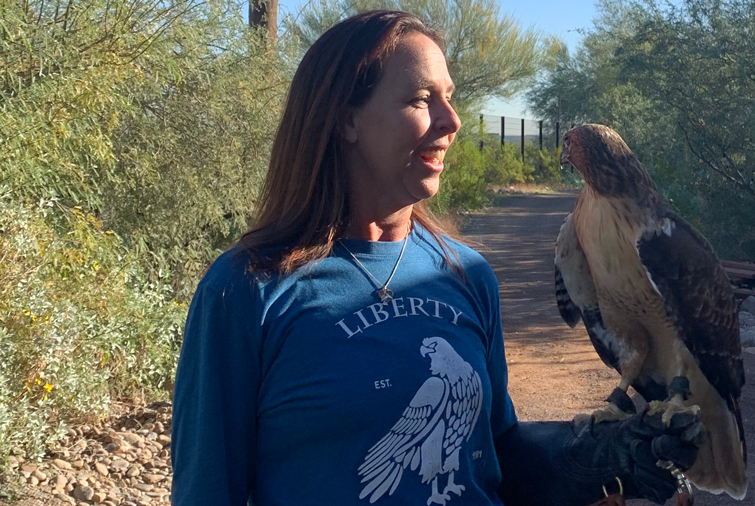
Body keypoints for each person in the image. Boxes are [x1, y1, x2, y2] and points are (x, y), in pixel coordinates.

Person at [171, 10, 704, 506]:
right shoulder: (248, 289)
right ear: (345, 120)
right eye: (422, 98)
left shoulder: (466, 274)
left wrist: (594, 459)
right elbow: (206, 489)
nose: (451, 121)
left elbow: (494, 453)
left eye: (449, 97)